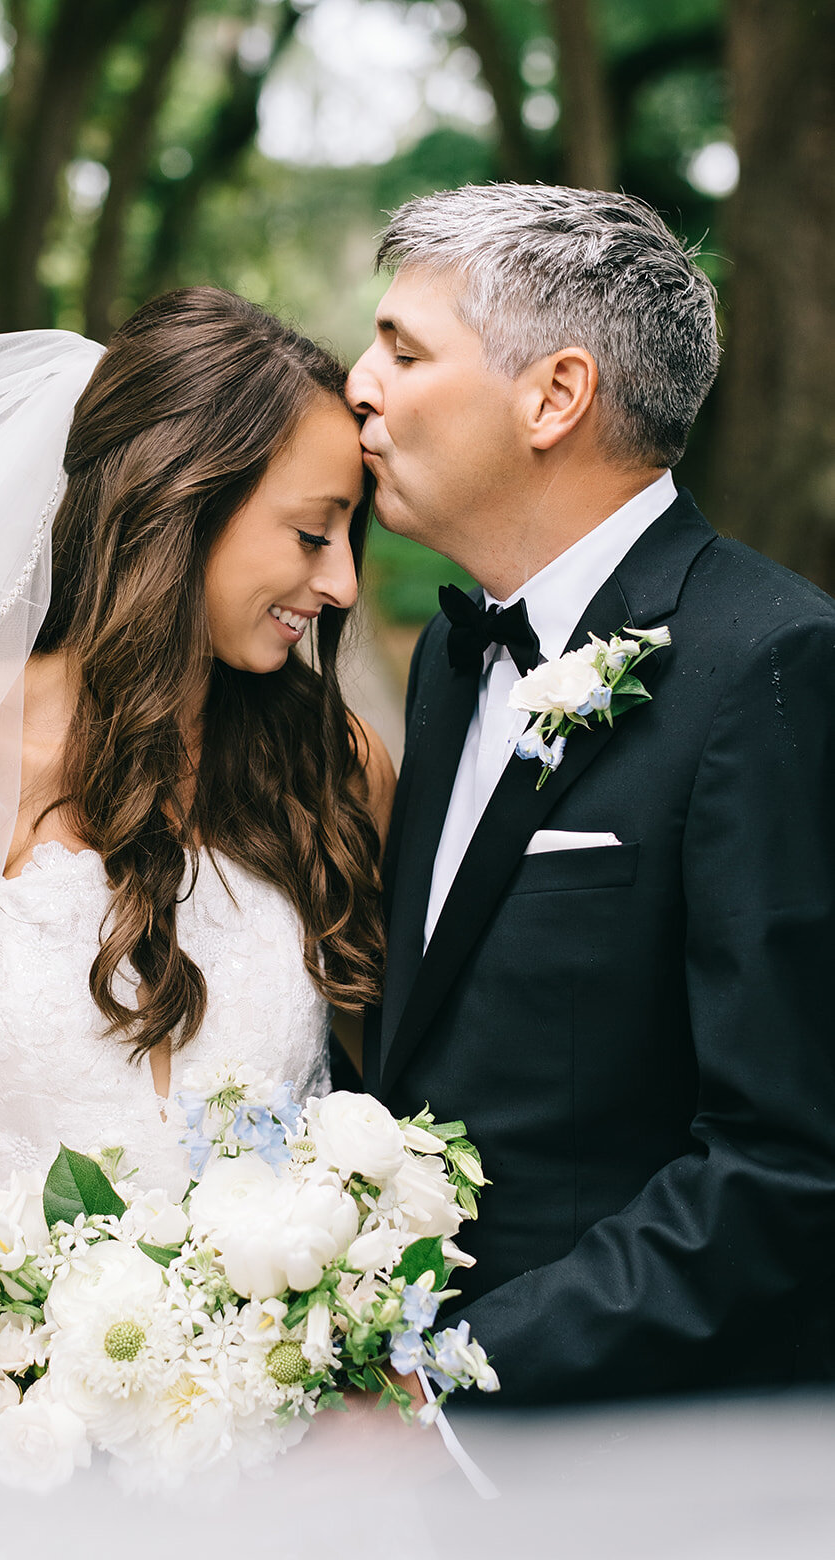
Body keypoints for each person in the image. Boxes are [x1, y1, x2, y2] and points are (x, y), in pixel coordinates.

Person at [0, 287, 394, 1420]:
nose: (343, 582)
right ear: (180, 503)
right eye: (313, 533)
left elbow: (402, 1101)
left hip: (272, 1449)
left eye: (353, 538)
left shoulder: (333, 769)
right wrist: (28, 1408)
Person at [348, 183, 835, 1407]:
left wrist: (449, 1392)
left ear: (554, 395)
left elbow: (786, 1156)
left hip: (641, 1454)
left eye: (404, 350)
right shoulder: (450, 662)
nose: (359, 384)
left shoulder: (772, 662)